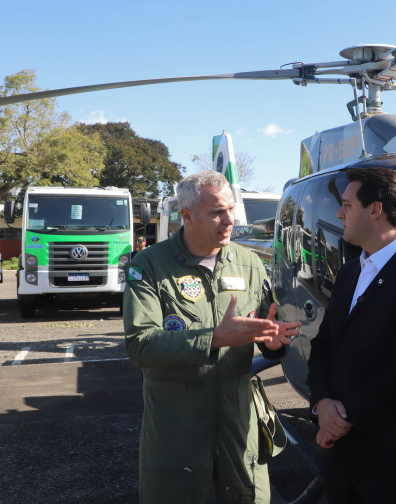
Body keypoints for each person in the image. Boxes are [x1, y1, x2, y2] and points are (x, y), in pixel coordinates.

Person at [123, 170, 301, 504]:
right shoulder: (150, 266)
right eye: (216, 212)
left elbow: (262, 328)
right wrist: (214, 338)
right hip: (177, 428)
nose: (229, 220)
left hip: (239, 426)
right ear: (187, 216)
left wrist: (272, 343)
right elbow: (140, 345)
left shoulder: (248, 263)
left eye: (230, 209)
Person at [307, 167, 396, 504]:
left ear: (375, 210)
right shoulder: (349, 272)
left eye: (346, 205)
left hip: (392, 460)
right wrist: (323, 402)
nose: (340, 214)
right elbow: (324, 344)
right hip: (341, 453)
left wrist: (341, 418)